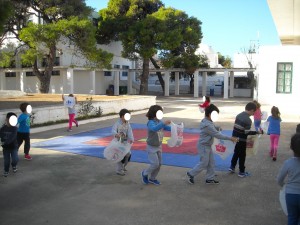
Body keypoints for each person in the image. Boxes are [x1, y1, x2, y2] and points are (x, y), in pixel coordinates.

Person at [186, 104, 238, 185]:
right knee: (204, 163)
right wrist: (230, 138)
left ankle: (209, 179)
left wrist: (217, 128)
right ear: (210, 114)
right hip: (203, 146)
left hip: (207, 145)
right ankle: (191, 174)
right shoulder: (207, 125)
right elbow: (217, 135)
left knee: (211, 162)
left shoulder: (207, 121)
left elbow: (212, 128)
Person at [229, 102, 262, 177]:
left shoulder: (238, 115)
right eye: (254, 112)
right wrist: (256, 132)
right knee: (242, 156)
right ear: (251, 110)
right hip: (242, 140)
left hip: (235, 138)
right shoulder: (248, 120)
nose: (253, 114)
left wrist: (234, 137)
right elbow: (246, 132)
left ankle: (232, 167)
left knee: (236, 153)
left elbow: (235, 128)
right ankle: (241, 172)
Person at [141, 105, 171, 185]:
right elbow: (154, 129)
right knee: (155, 164)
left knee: (159, 164)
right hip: (151, 147)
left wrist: (176, 128)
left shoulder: (159, 122)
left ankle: (152, 178)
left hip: (158, 146)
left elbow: (167, 128)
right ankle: (144, 173)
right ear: (155, 114)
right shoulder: (150, 123)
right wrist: (163, 123)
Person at [277, 133, 300, 225]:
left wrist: (284, 186)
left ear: (291, 147)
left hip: (291, 195)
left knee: (292, 217)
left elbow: (279, 179)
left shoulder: (288, 163)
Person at [112, 109, 134, 176]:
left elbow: (130, 132)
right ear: (121, 116)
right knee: (119, 156)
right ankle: (119, 170)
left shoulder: (128, 124)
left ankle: (123, 167)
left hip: (124, 142)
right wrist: (116, 134)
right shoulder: (117, 123)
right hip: (118, 143)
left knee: (128, 154)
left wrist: (131, 139)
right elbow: (113, 130)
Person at [1, 112, 19, 177]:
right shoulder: (3, 128)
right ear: (7, 119)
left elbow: (12, 137)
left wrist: (5, 142)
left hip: (13, 147)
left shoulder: (15, 128)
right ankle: (6, 170)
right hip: (5, 148)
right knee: (6, 161)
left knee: (15, 159)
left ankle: (14, 165)